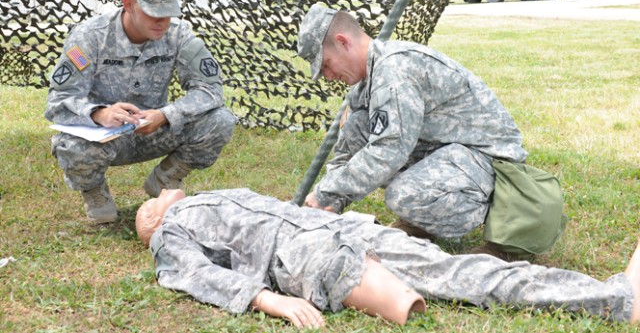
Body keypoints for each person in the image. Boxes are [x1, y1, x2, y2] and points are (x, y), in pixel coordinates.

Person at [136, 188, 640, 329]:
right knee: (414, 299)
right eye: (151, 204)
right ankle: (618, 300)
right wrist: (269, 301)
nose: (158, 197)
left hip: (346, 229)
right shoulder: (170, 234)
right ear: (154, 222)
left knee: (468, 272)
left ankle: (616, 297)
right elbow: (198, 276)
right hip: (309, 256)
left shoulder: (211, 196)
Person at [297, 3, 532, 259]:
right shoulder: (365, 86)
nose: (329, 76)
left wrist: (325, 192)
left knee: (403, 194)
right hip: (449, 151)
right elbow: (347, 152)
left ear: (343, 42)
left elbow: (389, 150)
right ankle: (422, 221)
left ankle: (508, 224)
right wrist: (330, 202)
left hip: (490, 159)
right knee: (358, 127)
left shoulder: (395, 71)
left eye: (327, 65)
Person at [44, 0, 236, 224]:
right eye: (152, 13)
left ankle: (167, 178)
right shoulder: (90, 37)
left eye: (168, 14)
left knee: (220, 119)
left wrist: (166, 114)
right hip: (105, 138)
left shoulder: (179, 36)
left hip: (153, 131)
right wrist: (99, 113)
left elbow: (210, 89)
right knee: (70, 145)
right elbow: (58, 100)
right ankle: (95, 193)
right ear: (128, 4)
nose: (162, 22)